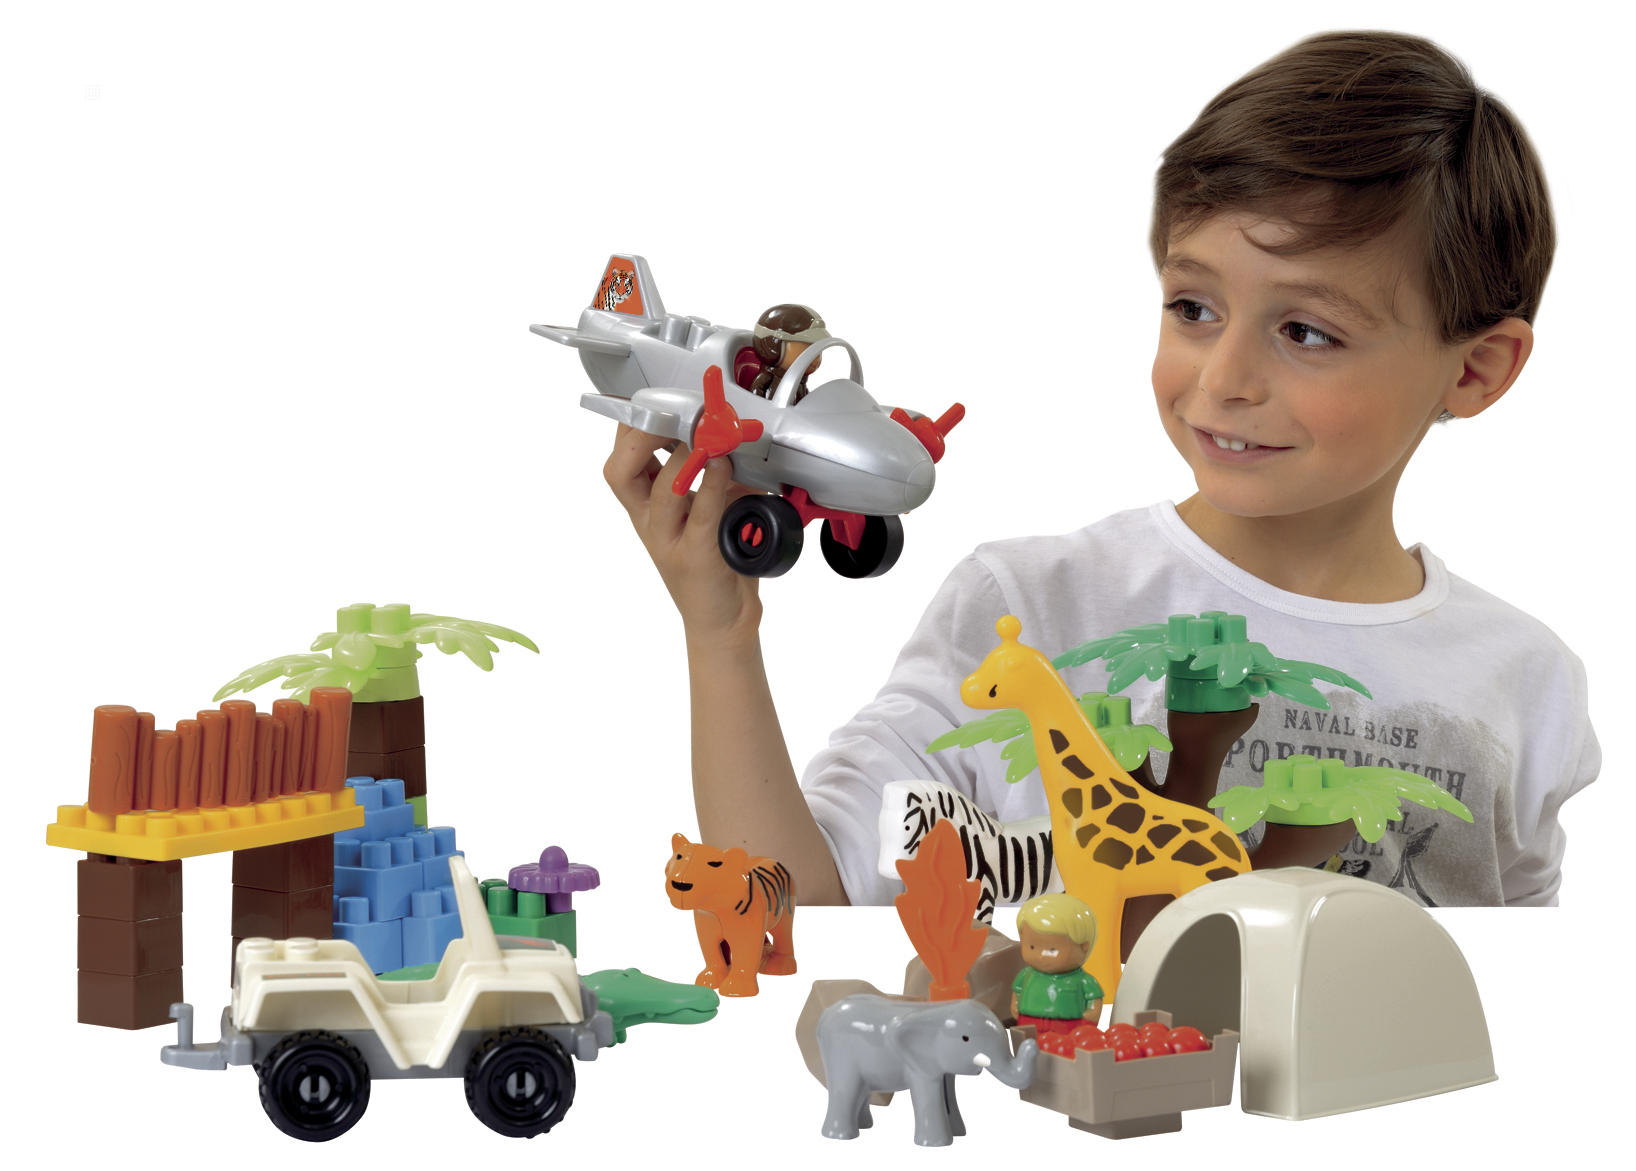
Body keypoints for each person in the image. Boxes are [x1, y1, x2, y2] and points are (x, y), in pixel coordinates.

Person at [601, 31, 1598, 909]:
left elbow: (1524, 995)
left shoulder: (1526, 680)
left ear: (1474, 369)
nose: (1223, 379)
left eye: (1305, 330)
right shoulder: (1029, 608)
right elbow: (795, 905)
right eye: (1193, 309)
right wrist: (719, 637)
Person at [1010, 895, 1104, 1033]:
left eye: (1052, 950)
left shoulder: (1083, 980)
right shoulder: (1026, 975)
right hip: (1028, 1023)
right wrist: (1015, 1005)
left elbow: (1094, 999)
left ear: (1083, 946)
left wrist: (1091, 1015)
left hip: (1068, 1027)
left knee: (1064, 1045)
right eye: (1032, 947)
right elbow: (1017, 991)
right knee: (1029, 1043)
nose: (1041, 955)